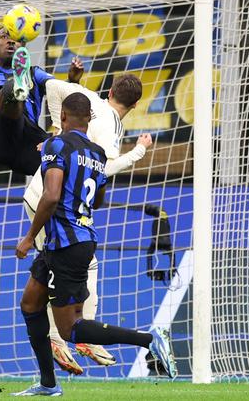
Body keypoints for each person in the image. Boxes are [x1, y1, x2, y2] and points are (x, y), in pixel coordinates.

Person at [12, 93, 176, 396]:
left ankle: (150, 339)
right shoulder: (97, 153)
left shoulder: (56, 144)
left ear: (62, 117)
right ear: (89, 119)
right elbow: (97, 199)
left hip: (66, 244)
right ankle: (48, 384)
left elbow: (50, 196)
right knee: (30, 303)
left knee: (70, 328)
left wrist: (27, 237)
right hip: (73, 240)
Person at [24, 73, 153, 373]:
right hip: (53, 206)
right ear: (134, 105)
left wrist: (56, 130)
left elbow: (52, 85)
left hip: (44, 198)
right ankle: (71, 337)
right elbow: (104, 168)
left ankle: (62, 349)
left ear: (109, 91)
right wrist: (138, 152)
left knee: (46, 276)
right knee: (81, 266)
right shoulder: (111, 127)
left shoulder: (89, 99)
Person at [0, 27, 83, 176]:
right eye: (4, 37)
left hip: (30, 142)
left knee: (69, 163)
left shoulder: (34, 73)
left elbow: (59, 90)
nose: (11, 41)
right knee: (9, 89)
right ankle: (16, 86)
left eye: (16, 39)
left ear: (23, 47)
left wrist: (73, 80)